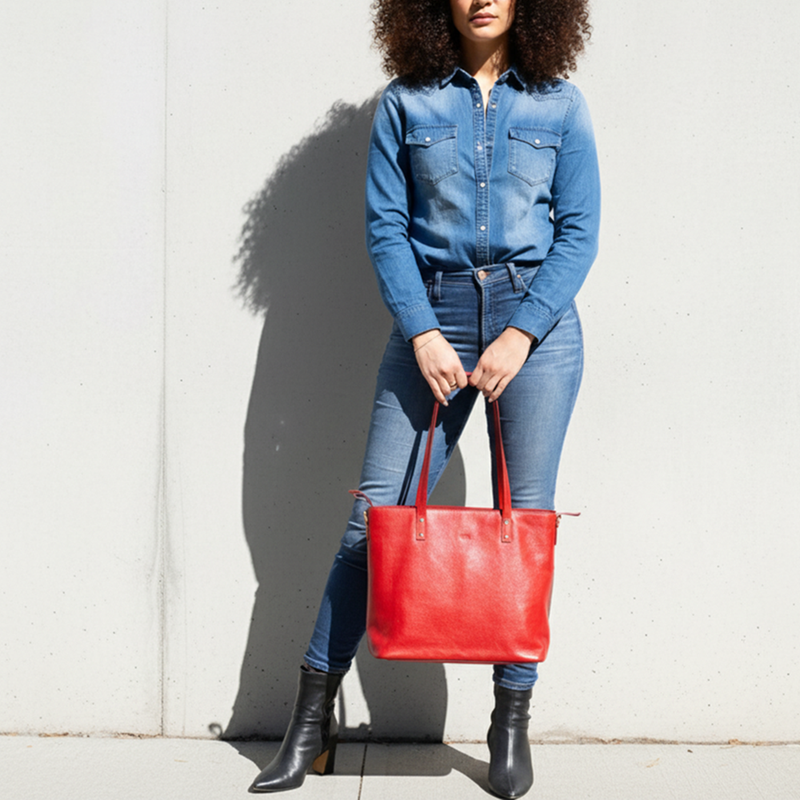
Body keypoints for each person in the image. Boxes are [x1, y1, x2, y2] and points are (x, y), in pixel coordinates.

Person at [248, 0, 599, 796]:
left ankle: (510, 720)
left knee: (527, 523)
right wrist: (422, 333)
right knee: (370, 519)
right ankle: (312, 719)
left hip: (533, 329)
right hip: (431, 322)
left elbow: (578, 231)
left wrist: (522, 333)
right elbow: (386, 228)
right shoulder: (407, 103)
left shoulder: (560, 103)